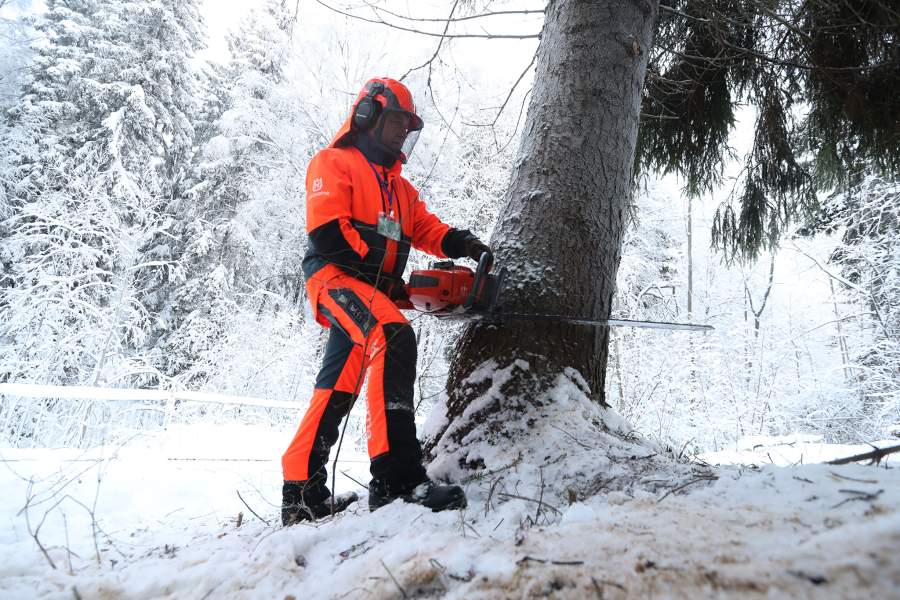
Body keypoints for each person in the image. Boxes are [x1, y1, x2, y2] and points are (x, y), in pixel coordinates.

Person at [280, 77, 491, 526]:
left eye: (408, 125)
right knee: (394, 334)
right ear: (368, 115)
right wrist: (387, 286)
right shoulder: (333, 163)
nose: (402, 131)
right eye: (396, 120)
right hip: (334, 279)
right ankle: (396, 478)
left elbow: (429, 229)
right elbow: (329, 235)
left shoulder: (401, 190)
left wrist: (467, 245)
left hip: (371, 291)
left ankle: (301, 493)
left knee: (339, 383)